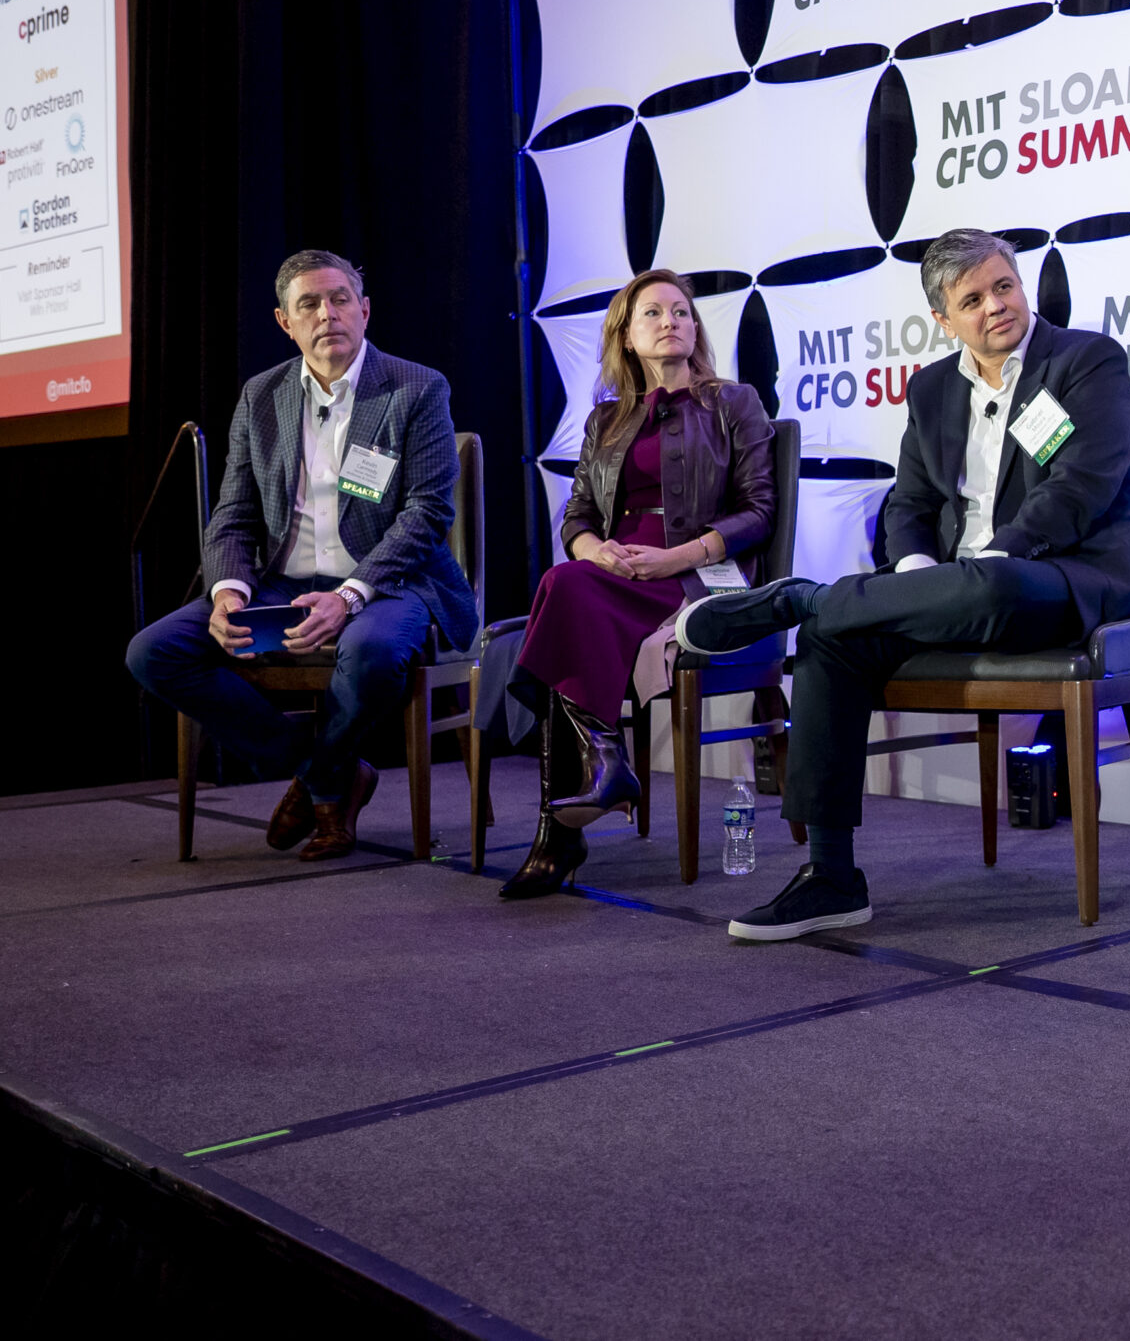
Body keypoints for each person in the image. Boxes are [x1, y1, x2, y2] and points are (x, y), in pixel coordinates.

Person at [674, 227, 1130, 939]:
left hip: (1064, 579)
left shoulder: (1086, 361)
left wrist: (993, 559)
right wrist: (917, 571)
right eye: (973, 299)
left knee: (984, 587)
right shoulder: (931, 389)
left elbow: (1079, 489)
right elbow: (909, 504)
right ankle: (832, 876)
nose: (995, 305)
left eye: (1004, 286)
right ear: (944, 319)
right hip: (952, 588)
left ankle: (803, 597)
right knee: (833, 640)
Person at [126, 250, 478, 860]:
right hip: (280, 583)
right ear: (285, 322)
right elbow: (233, 513)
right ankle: (328, 775)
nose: (327, 314)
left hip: (390, 584)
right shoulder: (261, 395)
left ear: (364, 310)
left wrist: (349, 596)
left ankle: (322, 787)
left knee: (371, 655)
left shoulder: (417, 387)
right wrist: (228, 592)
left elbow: (427, 514)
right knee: (153, 652)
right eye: (309, 304)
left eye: (340, 299)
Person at [500, 268, 776, 900]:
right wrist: (596, 551)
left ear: (695, 329)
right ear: (626, 335)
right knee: (569, 582)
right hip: (615, 573)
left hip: (698, 574)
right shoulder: (605, 420)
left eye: (681, 311)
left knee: (561, 593)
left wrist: (673, 558)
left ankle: (567, 821)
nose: (671, 321)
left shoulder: (734, 402)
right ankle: (598, 767)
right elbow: (576, 516)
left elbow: (759, 513)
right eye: (652, 312)